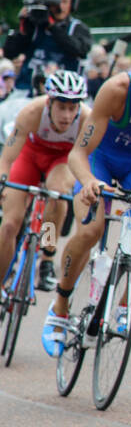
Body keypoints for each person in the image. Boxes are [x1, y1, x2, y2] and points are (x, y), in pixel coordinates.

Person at [41, 43, 131, 356]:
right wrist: (89, 182)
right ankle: (60, 307)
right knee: (91, 230)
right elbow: (78, 152)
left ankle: (124, 305)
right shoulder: (116, 90)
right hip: (99, 162)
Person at [0, 71, 87, 292]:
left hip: (61, 159)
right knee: (10, 223)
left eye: (72, 108)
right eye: (61, 107)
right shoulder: (32, 112)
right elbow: (8, 157)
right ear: (49, 102)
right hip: (29, 155)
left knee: (57, 194)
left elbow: (89, 158)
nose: (67, 115)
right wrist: (2, 180)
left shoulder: (87, 119)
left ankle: (47, 257)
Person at [3, 0, 93, 96]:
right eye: (54, 1)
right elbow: (9, 52)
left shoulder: (78, 28)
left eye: (64, 1)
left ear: (72, 3)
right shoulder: (35, 26)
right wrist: (23, 26)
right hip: (26, 92)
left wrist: (52, 26)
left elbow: (79, 50)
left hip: (65, 96)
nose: (59, 6)